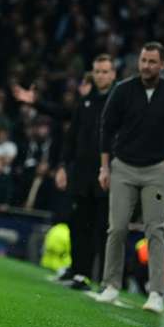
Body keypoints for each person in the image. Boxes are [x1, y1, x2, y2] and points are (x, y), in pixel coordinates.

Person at [95, 42, 164, 314]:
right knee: (117, 228)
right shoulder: (123, 90)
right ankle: (111, 285)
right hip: (123, 167)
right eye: (143, 60)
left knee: (155, 230)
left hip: (157, 170)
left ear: (163, 64)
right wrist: (104, 168)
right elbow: (106, 128)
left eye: (152, 61)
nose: (146, 66)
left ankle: (156, 293)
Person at [51, 55, 116, 289]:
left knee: (103, 227)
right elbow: (71, 137)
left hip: (107, 174)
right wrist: (62, 166)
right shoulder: (85, 102)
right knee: (78, 223)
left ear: (113, 74)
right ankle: (80, 272)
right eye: (97, 71)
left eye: (105, 71)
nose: (101, 76)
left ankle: (106, 279)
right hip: (81, 173)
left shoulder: (119, 101)